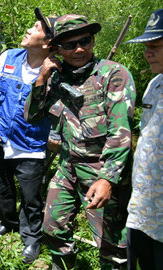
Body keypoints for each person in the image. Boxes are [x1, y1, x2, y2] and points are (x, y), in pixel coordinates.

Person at [24, 14, 136, 270]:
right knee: (52, 226)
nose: (79, 49)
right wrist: (41, 77)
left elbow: (121, 133)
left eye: (85, 41)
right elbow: (31, 117)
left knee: (113, 246)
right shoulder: (54, 77)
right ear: (57, 49)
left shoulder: (112, 74)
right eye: (69, 45)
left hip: (102, 170)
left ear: (93, 40)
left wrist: (108, 179)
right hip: (68, 166)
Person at [0, 8, 57, 264]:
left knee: (31, 196)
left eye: (36, 29)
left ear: (47, 42)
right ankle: (8, 222)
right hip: (0, 139)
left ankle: (31, 239)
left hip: (31, 144)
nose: (28, 30)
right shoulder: (8, 57)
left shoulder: (55, 72)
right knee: (2, 187)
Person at [125, 8, 163, 270]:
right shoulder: (155, 84)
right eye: (146, 46)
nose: (147, 52)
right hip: (143, 208)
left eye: (156, 46)